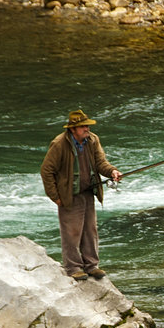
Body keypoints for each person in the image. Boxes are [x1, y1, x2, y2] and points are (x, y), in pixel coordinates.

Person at [41, 110, 122, 280]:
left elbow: (100, 163)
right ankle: (73, 268)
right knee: (72, 233)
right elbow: (46, 171)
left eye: (87, 125)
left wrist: (112, 171)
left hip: (88, 191)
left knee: (90, 230)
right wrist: (55, 196)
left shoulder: (92, 140)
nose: (87, 129)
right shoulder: (59, 144)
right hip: (69, 195)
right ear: (72, 129)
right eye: (83, 126)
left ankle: (92, 266)